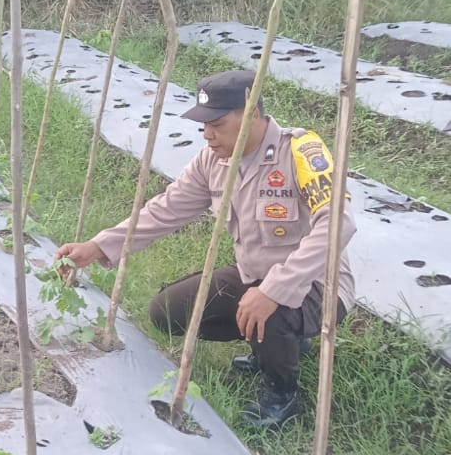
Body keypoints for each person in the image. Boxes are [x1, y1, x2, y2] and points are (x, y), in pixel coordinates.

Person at [55, 70, 356, 429]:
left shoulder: (300, 152)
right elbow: (165, 210)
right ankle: (272, 344)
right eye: (203, 124)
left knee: (272, 308)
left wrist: (274, 290)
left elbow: (339, 222)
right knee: (166, 312)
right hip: (253, 277)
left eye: (217, 123)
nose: (207, 134)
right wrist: (98, 246)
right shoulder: (212, 160)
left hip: (317, 285)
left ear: (252, 114)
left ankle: (282, 392)